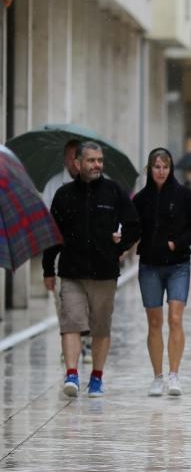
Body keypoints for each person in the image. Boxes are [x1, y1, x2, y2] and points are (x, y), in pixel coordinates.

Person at [42, 142, 141, 398]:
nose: (97, 165)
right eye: (91, 160)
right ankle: (72, 375)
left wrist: (124, 243)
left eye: (99, 160)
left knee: (100, 328)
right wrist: (47, 270)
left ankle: (96, 378)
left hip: (104, 272)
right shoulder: (63, 195)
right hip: (72, 271)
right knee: (71, 324)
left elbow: (134, 224)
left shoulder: (114, 192)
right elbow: (53, 236)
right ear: (78, 163)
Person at [133, 148, 191, 397]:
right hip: (149, 266)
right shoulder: (140, 199)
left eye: (165, 166)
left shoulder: (184, 195)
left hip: (178, 265)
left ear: (171, 169)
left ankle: (174, 374)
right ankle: (157, 376)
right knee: (154, 321)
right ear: (149, 169)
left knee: (175, 318)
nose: (161, 171)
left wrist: (176, 244)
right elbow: (132, 228)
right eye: (156, 166)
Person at [42, 138, 94, 364]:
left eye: (78, 157)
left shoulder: (96, 183)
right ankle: (70, 343)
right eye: (71, 157)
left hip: (91, 256)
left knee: (90, 301)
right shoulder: (55, 186)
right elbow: (46, 220)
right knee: (65, 303)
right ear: (66, 159)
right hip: (63, 255)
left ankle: (87, 341)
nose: (74, 162)